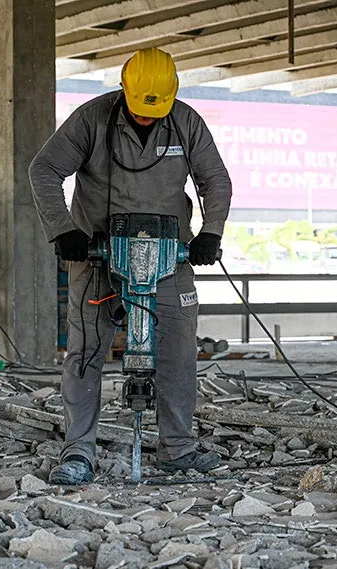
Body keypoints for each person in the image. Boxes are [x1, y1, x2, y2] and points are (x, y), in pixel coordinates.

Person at [29, 47, 232, 484]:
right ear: (124, 89)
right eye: (139, 110)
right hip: (97, 256)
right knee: (85, 354)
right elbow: (44, 169)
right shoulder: (91, 119)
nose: (145, 118)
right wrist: (64, 231)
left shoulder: (187, 122)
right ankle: (78, 452)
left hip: (168, 258)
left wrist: (210, 233)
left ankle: (177, 448)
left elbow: (214, 179)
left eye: (154, 112)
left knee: (179, 351)